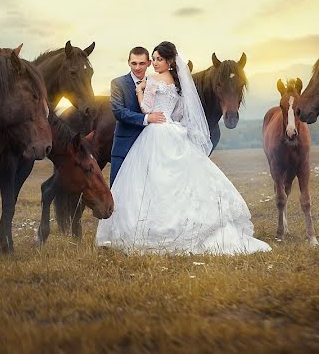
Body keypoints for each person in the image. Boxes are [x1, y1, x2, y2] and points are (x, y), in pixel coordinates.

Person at [96, 41, 270, 255]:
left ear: (168, 61)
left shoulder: (151, 80)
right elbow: (179, 113)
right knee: (177, 182)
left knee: (153, 183)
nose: (155, 63)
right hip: (173, 130)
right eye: (155, 59)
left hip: (156, 131)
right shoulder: (178, 84)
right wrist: (171, 123)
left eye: (158, 59)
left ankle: (151, 227)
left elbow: (147, 109)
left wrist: (141, 91)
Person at [108, 46, 167, 186]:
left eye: (141, 63)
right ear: (128, 62)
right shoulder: (118, 83)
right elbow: (118, 111)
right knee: (119, 189)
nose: (137, 67)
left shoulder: (156, 83)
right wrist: (147, 118)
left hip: (151, 147)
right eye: (133, 63)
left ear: (148, 63)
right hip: (125, 147)